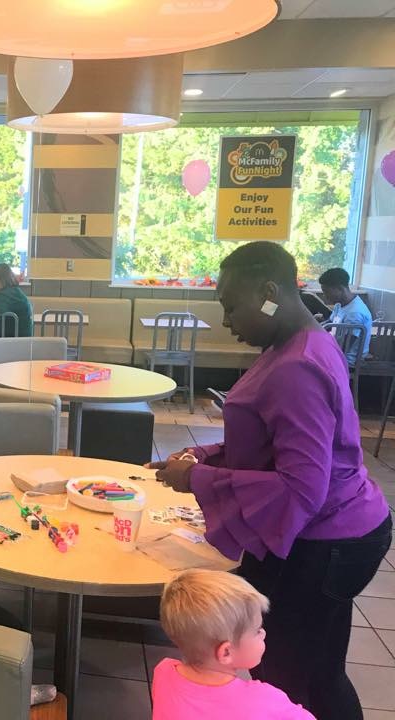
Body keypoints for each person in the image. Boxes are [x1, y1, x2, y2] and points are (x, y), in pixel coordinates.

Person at [149, 241, 391, 720]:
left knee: (292, 674)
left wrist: (197, 477)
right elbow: (272, 441)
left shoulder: (298, 365)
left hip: (328, 540)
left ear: (268, 293)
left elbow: (301, 485)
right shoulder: (298, 343)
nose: (226, 321)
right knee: (321, 670)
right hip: (344, 531)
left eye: (230, 306)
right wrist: (206, 454)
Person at [153, 569, 314, 719]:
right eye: (257, 630)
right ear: (226, 652)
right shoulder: (265, 701)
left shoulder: (163, 672)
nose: (264, 633)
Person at [319, 267, 373, 364]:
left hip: (347, 362)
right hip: (338, 355)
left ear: (340, 289)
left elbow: (344, 348)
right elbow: (330, 324)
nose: (325, 295)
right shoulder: (340, 304)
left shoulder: (355, 313)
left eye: (326, 291)